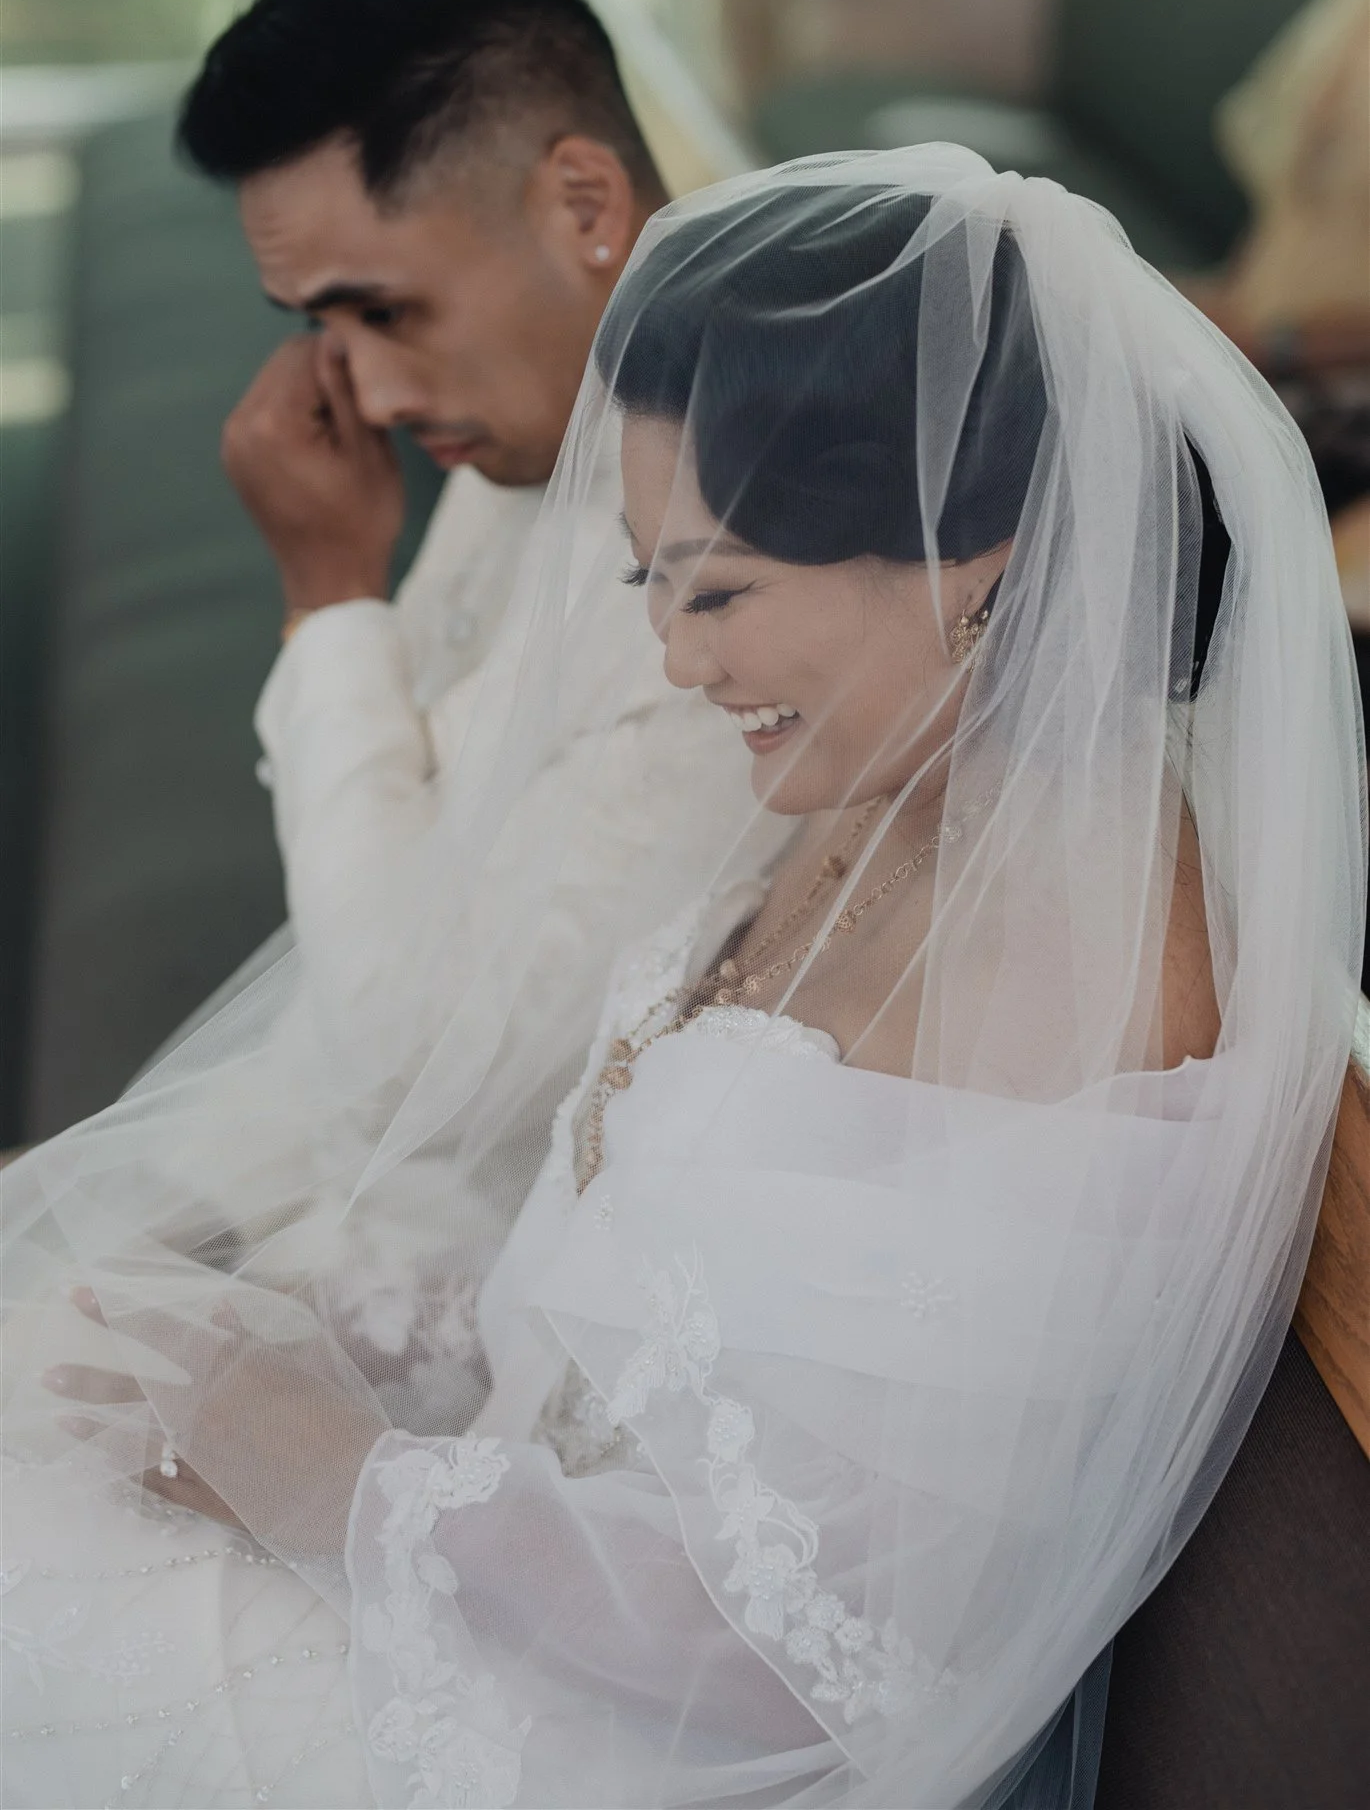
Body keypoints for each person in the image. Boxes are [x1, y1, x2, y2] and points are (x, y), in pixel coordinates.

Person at [2, 149, 1361, 1810]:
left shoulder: (1093, 993)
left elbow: (807, 1647)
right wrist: (327, 1345)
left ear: (975, 558)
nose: (675, 658)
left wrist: (337, 1474)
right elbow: (650, 1319)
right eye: (648, 581)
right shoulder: (885, 793)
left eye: (720, 589)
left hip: (623, 1741)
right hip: (513, 1569)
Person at [176, 0, 717, 1090]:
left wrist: (330, 598)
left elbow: (415, 1067)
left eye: (385, 310)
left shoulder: (747, 560)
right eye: (323, 327)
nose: (367, 396)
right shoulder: (542, 413)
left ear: (583, 206)